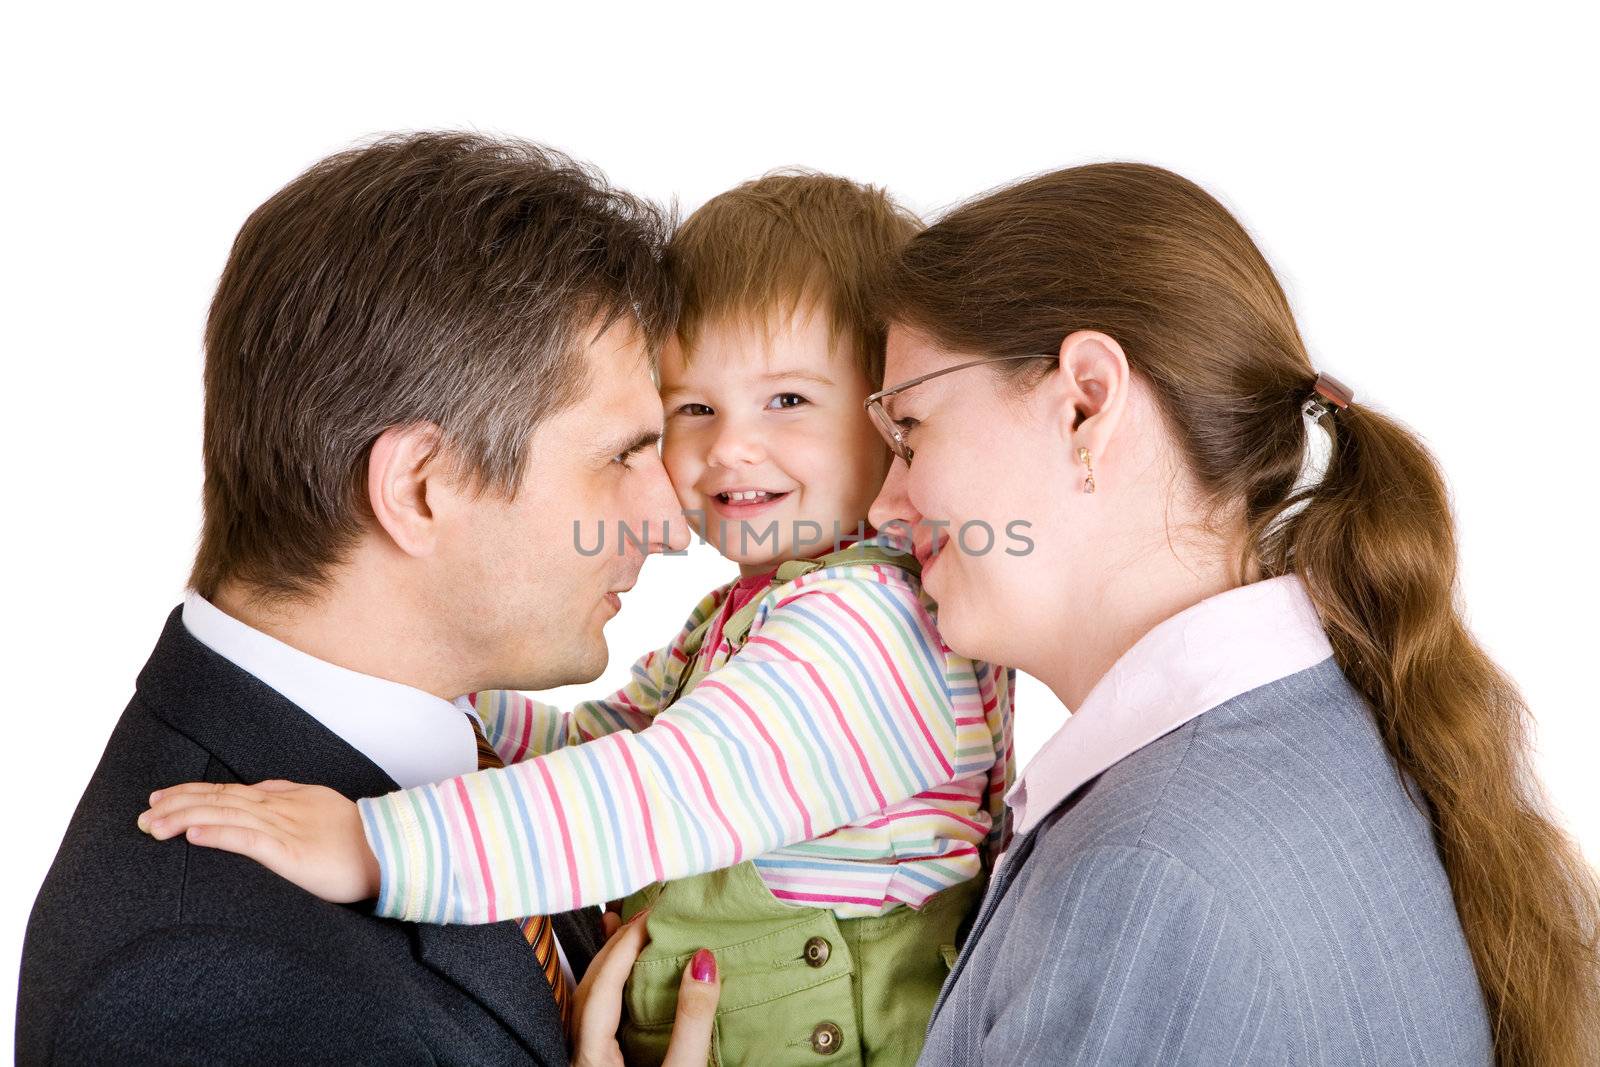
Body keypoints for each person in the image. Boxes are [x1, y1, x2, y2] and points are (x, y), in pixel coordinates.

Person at [139, 172, 1017, 1067]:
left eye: (788, 400)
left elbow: (653, 789)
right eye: (689, 411)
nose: (726, 450)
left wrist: (376, 844)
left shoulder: (871, 631)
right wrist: (445, 695)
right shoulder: (759, 611)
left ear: (887, 417)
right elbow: (612, 740)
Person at [862, 162, 1600, 1063]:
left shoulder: (1144, 877)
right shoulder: (1331, 736)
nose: (884, 508)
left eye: (910, 431)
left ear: (1085, 403)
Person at [16, 132, 718, 1065]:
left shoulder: (471, 767)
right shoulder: (208, 984)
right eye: (621, 455)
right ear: (420, 486)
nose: (674, 521)